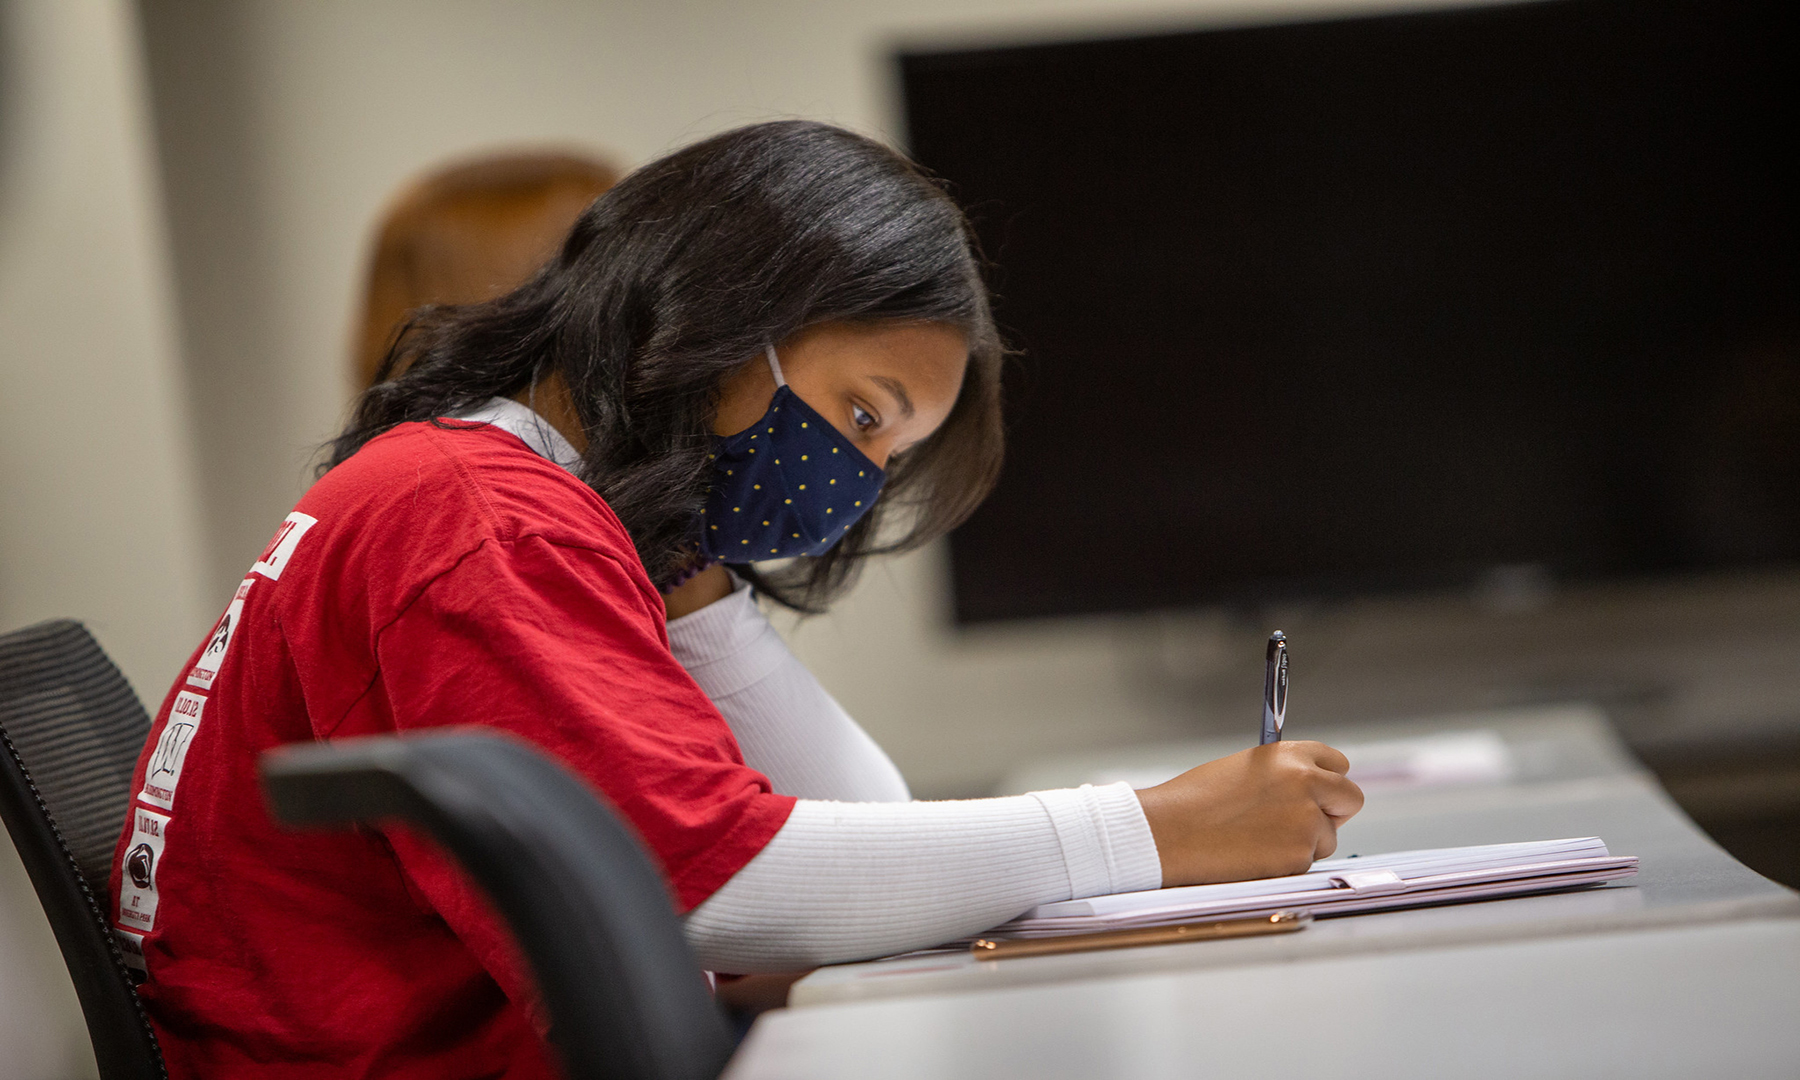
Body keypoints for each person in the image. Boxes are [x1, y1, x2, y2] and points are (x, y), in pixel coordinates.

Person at [110, 120, 1363, 1078]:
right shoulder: (476, 516)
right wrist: (1150, 829)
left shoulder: (511, 492)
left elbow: (850, 835)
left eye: (887, 455)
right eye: (862, 415)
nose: (855, 484)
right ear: (723, 313)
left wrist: (700, 590)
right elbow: (717, 888)